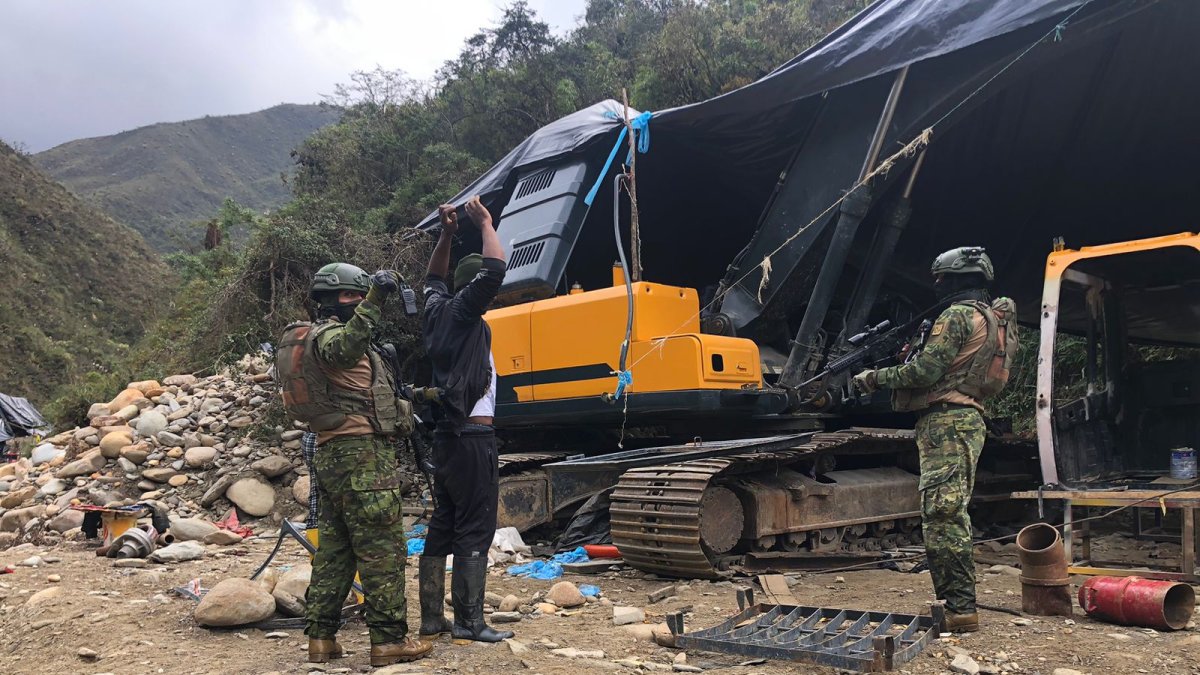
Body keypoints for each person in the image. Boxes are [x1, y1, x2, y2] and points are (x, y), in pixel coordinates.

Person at [852, 247, 1017, 633]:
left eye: (941, 278)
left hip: (947, 421)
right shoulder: (993, 317)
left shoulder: (958, 315)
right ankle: (958, 603)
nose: (938, 286)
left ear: (958, 278)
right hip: (965, 419)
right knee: (948, 511)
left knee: (943, 514)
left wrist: (874, 378)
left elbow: (926, 371)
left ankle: (960, 608)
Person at [276, 263, 431, 666]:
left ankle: (322, 639)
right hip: (360, 455)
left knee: (337, 550)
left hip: (332, 455)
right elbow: (343, 348)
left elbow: (363, 388)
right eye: (352, 296)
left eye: (362, 296)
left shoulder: (316, 338)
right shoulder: (332, 336)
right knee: (382, 548)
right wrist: (378, 298)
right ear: (332, 300)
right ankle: (389, 640)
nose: (359, 303)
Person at [417, 196, 513, 643]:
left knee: (444, 522)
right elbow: (495, 270)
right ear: (472, 288)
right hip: (473, 436)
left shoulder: (435, 309)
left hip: (446, 437)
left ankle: (433, 618)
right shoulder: (462, 312)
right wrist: (485, 224)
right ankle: (470, 623)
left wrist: (448, 234)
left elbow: (433, 276)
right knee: (475, 524)